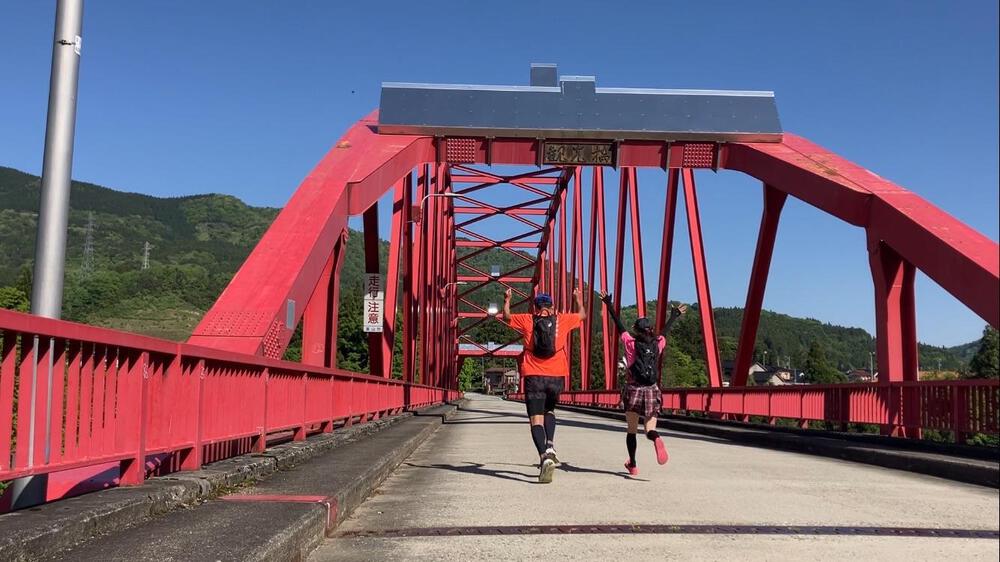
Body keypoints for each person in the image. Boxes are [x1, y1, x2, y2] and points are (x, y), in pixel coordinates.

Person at [502, 287, 585, 483]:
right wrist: (578, 299)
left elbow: (506, 316)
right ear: (553, 306)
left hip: (534, 375)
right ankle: (550, 444)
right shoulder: (562, 320)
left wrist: (507, 299)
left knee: (535, 420)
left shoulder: (527, 319)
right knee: (550, 411)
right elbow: (582, 315)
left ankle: (544, 457)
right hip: (556, 376)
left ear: (535, 307)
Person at [599, 292, 686, 476]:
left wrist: (609, 304)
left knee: (632, 431)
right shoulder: (658, 343)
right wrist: (673, 316)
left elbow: (619, 325)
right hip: (652, 390)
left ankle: (633, 464)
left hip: (634, 389)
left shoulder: (630, 343)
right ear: (650, 329)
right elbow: (664, 333)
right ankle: (656, 438)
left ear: (636, 330)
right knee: (649, 429)